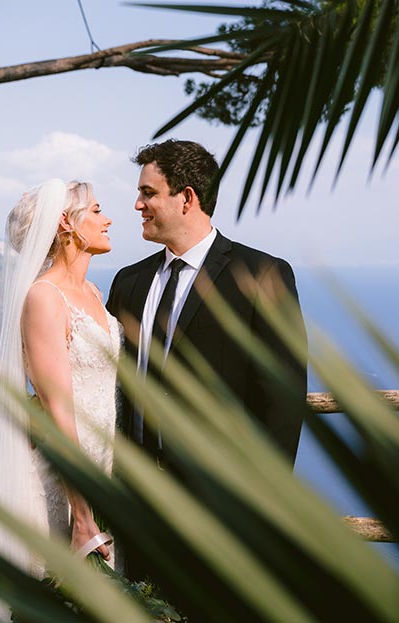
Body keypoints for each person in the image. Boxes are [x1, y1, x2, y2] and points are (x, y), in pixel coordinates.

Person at [107, 139, 308, 470]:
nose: (137, 205)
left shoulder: (261, 275)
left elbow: (282, 399)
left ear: (186, 198)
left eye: (148, 193)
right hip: (135, 493)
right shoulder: (128, 282)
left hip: (218, 496)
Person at [0, 179, 120, 601]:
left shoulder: (91, 291)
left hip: (101, 471)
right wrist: (83, 516)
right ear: (65, 224)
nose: (108, 219)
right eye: (96, 210)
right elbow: (58, 409)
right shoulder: (43, 297)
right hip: (63, 485)